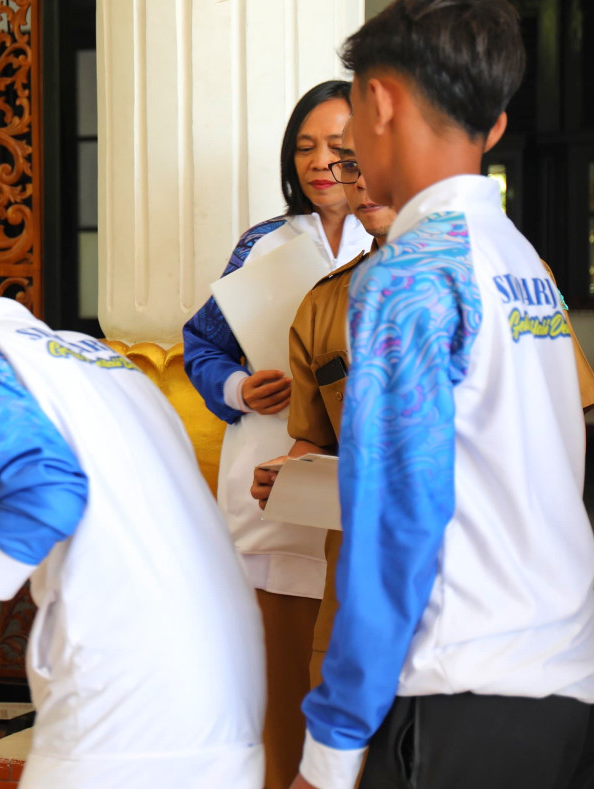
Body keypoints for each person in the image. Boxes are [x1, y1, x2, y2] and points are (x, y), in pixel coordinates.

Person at [294, 0, 594, 789]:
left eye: (353, 114)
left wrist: (330, 748)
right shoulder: (523, 263)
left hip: (454, 691)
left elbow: (395, 521)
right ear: (493, 125)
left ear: (381, 101)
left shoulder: (411, 276)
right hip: (561, 685)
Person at [0, 275, 266, 788]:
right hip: (223, 686)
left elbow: (48, 499)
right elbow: (78, 504)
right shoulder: (96, 358)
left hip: (123, 691)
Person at [252, 120, 594, 688]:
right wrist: (287, 477)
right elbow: (315, 440)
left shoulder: (511, 275)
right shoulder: (322, 305)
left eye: (369, 164)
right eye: (349, 166)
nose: (360, 183)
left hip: (490, 579)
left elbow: (573, 419)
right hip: (361, 577)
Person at [182, 79, 372, 787]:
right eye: (306, 148)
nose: (322, 163)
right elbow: (201, 344)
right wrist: (238, 387)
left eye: (341, 148)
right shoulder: (263, 244)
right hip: (271, 489)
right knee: (279, 709)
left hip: (352, 501)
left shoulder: (389, 243)